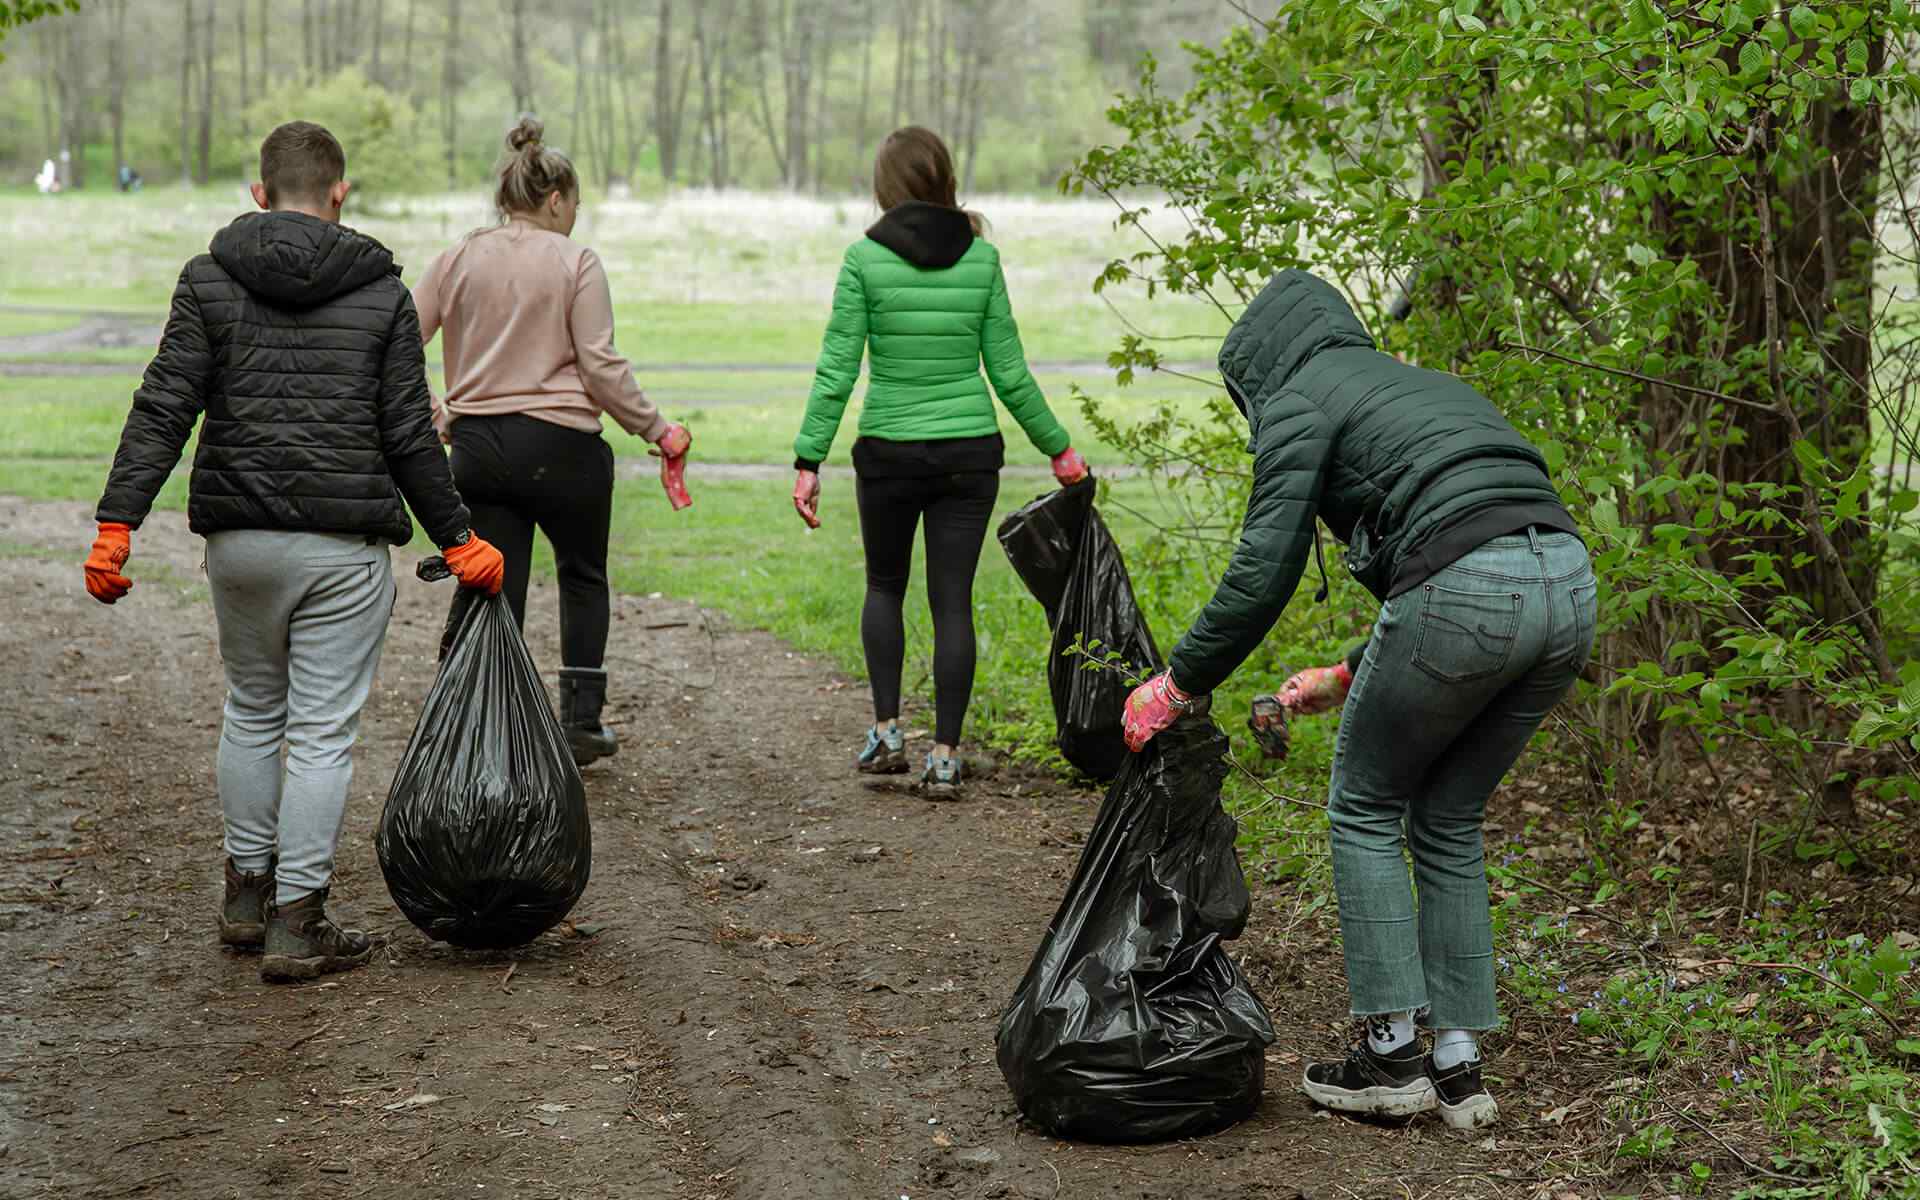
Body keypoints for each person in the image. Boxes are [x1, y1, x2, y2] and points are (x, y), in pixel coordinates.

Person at [1119, 269, 1594, 1130]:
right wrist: (1346, 672)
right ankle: (1457, 1068)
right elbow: (1481, 538)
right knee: (1448, 815)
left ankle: (1389, 1054)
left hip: (1470, 591)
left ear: (1255, 372)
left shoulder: (1299, 400)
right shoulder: (1426, 384)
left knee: (1364, 804)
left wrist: (1179, 680)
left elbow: (1266, 570)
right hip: (1568, 587)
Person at [85, 121, 505, 983]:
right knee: (320, 735)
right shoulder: (382, 291)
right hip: (340, 550)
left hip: (238, 545)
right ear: (341, 192)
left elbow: (164, 405)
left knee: (251, 709)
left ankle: (246, 895)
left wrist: (117, 523)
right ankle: (298, 920)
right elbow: (406, 437)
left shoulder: (208, 279)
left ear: (259, 192)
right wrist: (459, 538)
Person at [790, 125, 1089, 799]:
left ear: (885, 187)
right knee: (953, 600)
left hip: (889, 454)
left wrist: (810, 458)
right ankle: (947, 756)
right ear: (945, 180)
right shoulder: (981, 260)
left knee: (885, 586)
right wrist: (1059, 448)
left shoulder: (863, 260)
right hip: (968, 455)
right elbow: (1008, 372)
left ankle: (889, 733)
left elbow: (837, 369)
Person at [414, 116, 690, 768]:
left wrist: (436, 411)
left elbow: (396, 341)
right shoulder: (577, 261)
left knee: (493, 584)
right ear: (557, 198)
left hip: (480, 448)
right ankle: (581, 726)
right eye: (576, 207)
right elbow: (599, 364)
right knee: (583, 577)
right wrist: (657, 428)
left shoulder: (456, 258)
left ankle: (481, 718)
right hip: (567, 451)